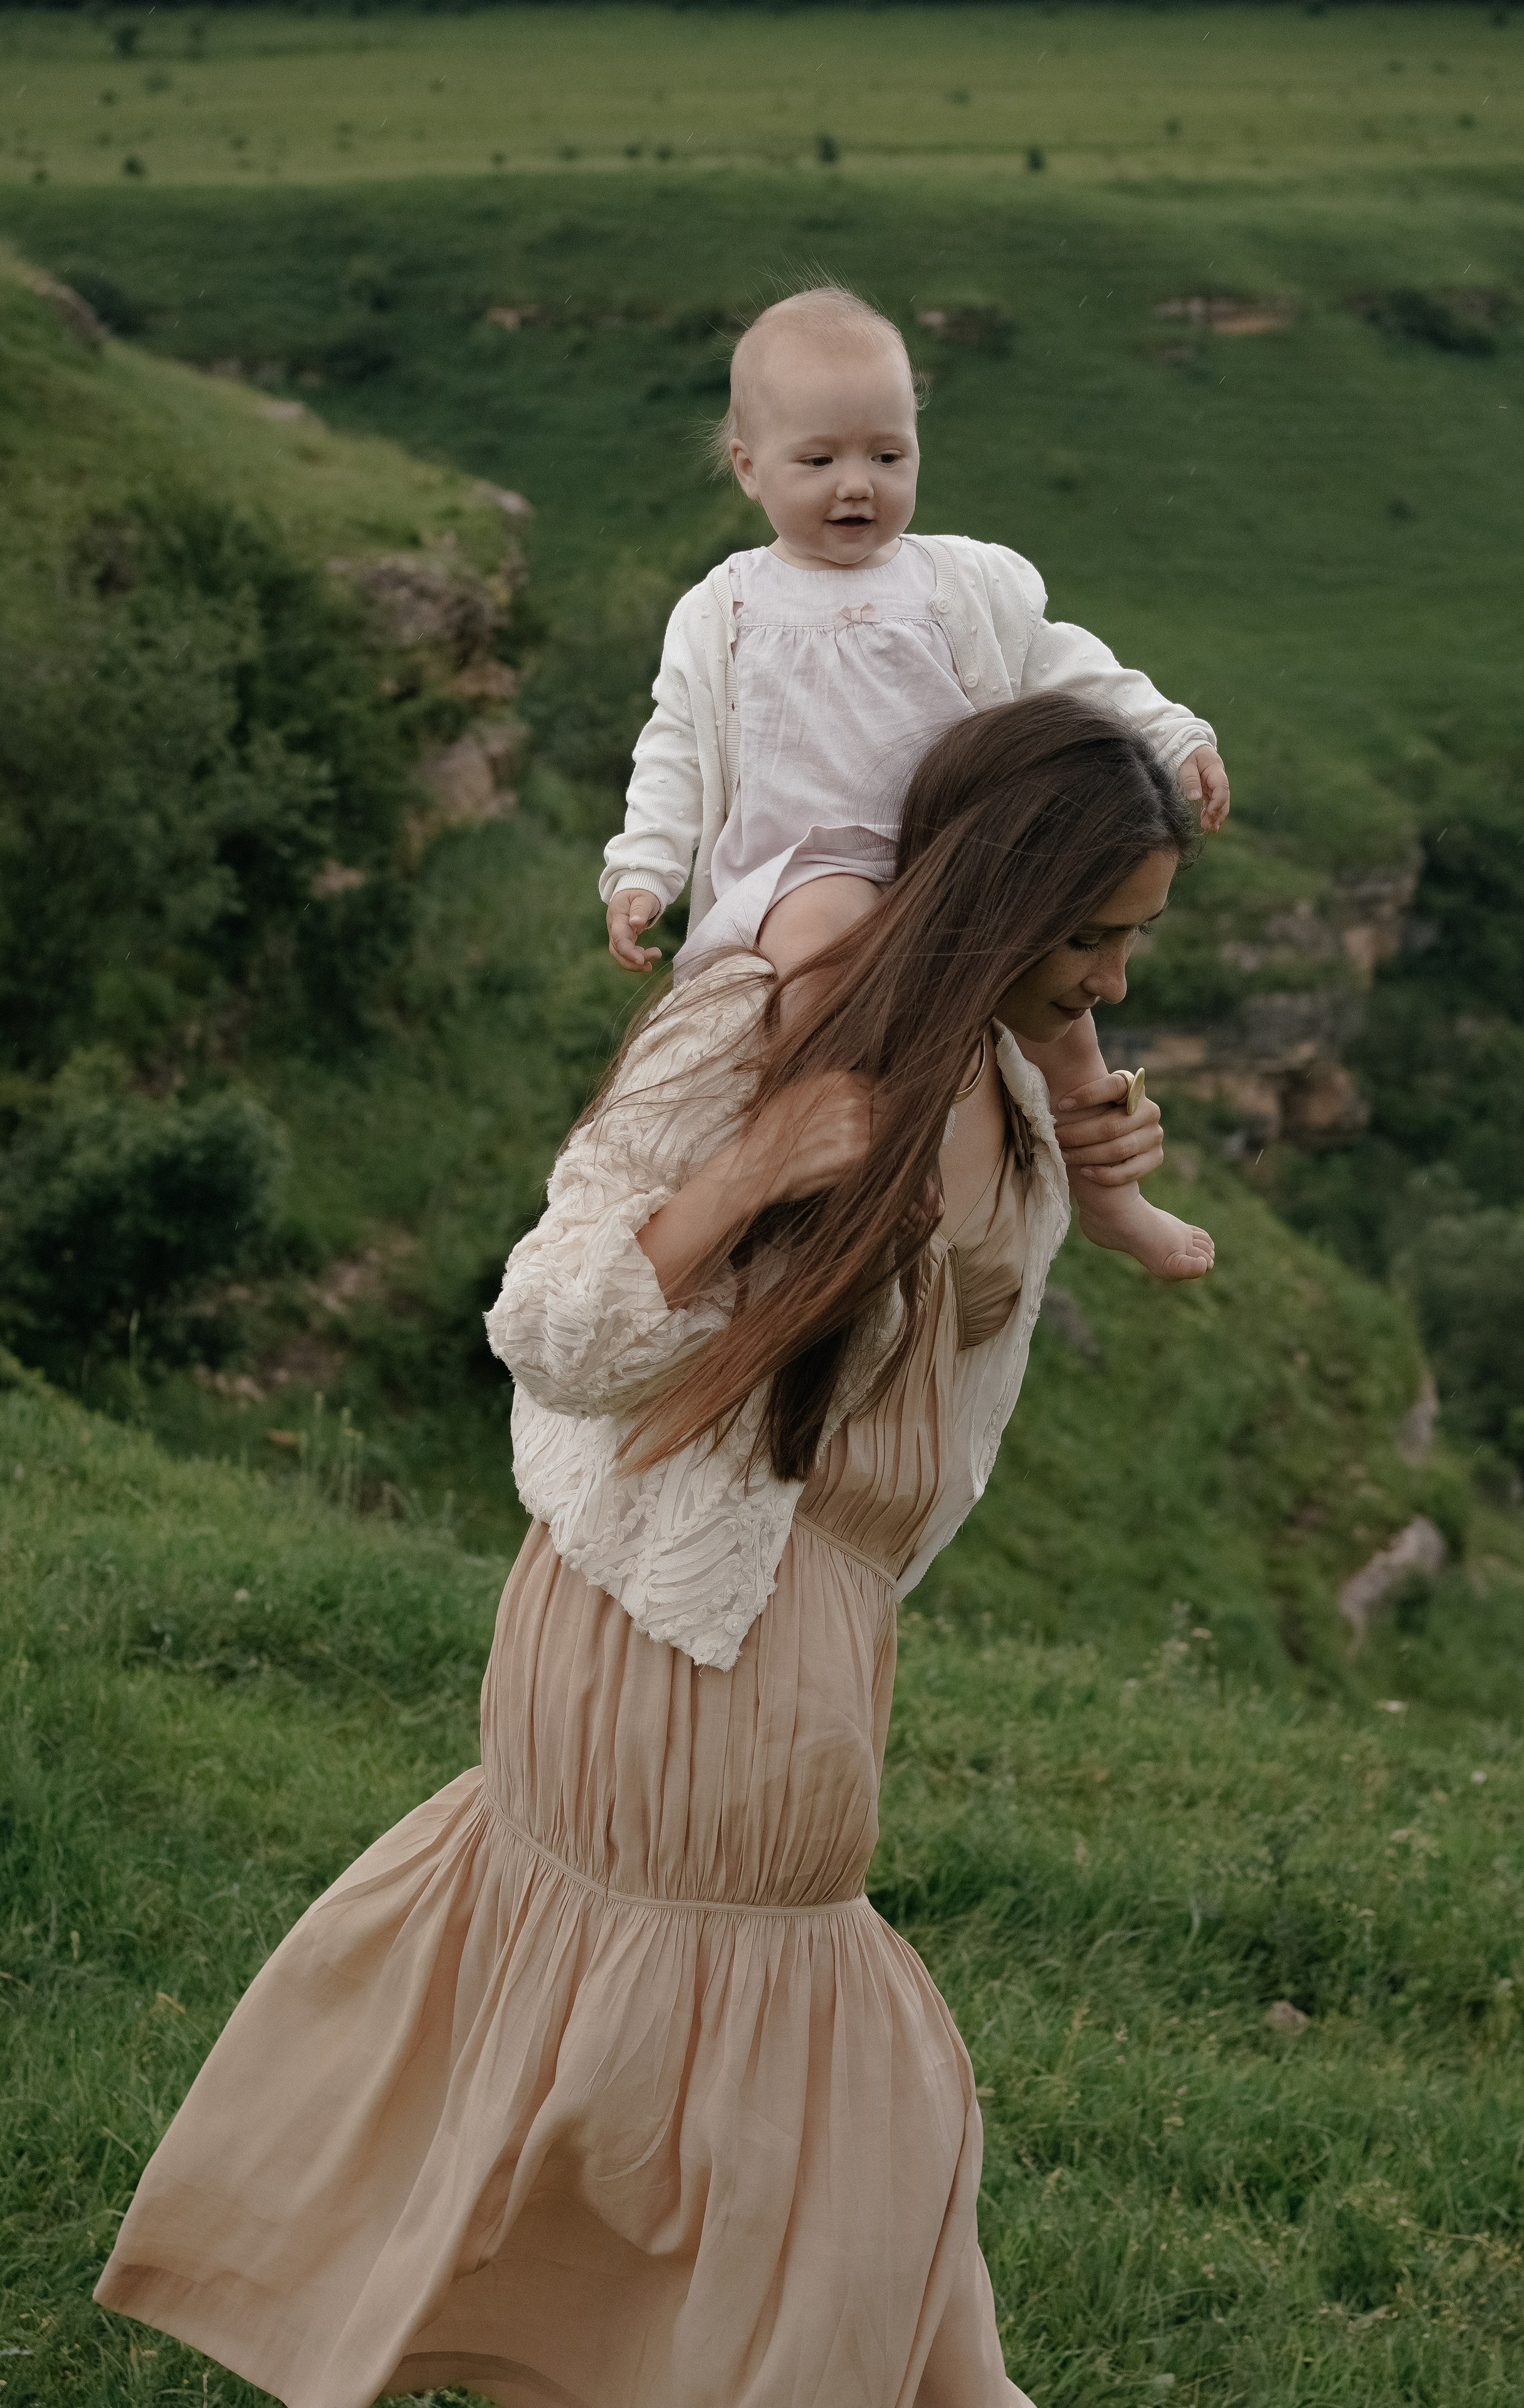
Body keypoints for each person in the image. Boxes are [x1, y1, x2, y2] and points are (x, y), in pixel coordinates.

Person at [95, 694, 1194, 2408]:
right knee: (840, 2123)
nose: (1115, 982)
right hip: (691, 1647)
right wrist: (749, 1169)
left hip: (777, 1640)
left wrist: (1089, 1166)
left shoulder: (995, 1075)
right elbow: (548, 1323)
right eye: (1097, 938)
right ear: (1001, 895)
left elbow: (955, 1329)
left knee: (704, 2103)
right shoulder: (765, 1020)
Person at [602, 282, 1224, 1284]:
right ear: (749, 470)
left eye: (887, 456)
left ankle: (1112, 1197)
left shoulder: (958, 582)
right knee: (818, 989)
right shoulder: (723, 610)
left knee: (1072, 1034)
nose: (858, 486)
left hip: (955, 861)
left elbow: (1068, 667)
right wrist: (643, 871)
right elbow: (673, 748)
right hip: (806, 874)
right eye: (820, 461)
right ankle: (870, 1180)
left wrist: (1170, 730)